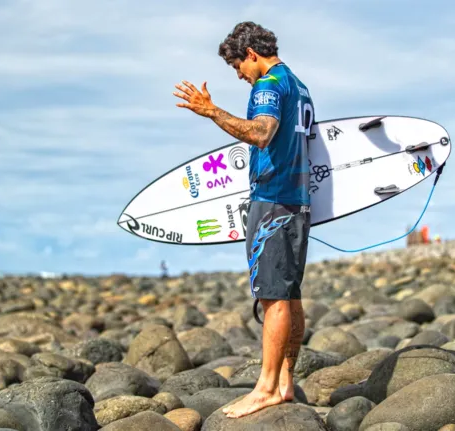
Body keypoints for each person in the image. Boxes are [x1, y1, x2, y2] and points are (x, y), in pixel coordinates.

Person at [173, 21, 313, 418]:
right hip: (298, 201)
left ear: (252, 54)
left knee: (273, 298)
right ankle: (285, 382)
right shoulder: (299, 85)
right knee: (290, 294)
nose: (238, 75)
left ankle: (267, 388)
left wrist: (211, 111)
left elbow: (262, 133)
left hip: (273, 200)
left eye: (237, 66)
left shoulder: (268, 85)